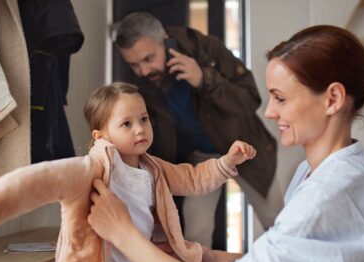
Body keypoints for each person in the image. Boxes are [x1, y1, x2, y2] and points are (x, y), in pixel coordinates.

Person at [87, 25, 364, 262]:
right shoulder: (324, 172)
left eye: (280, 98)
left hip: (237, 153)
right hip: (201, 157)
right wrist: (206, 256)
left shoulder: (325, 198)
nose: (269, 112)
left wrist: (123, 234)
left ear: (333, 99)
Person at [0, 82, 257, 262]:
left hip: (142, 255)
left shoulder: (154, 167)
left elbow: (194, 179)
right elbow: (42, 179)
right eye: (127, 124)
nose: (140, 129)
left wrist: (226, 162)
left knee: (200, 254)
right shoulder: (93, 168)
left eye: (144, 119)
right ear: (100, 135)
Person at [115, 11, 277, 247]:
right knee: (195, 234)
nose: (143, 70)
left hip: (246, 148)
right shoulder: (139, 83)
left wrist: (205, 79)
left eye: (149, 58)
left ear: (164, 39)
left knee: (277, 222)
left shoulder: (205, 47)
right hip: (199, 160)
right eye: (134, 64)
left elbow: (251, 99)